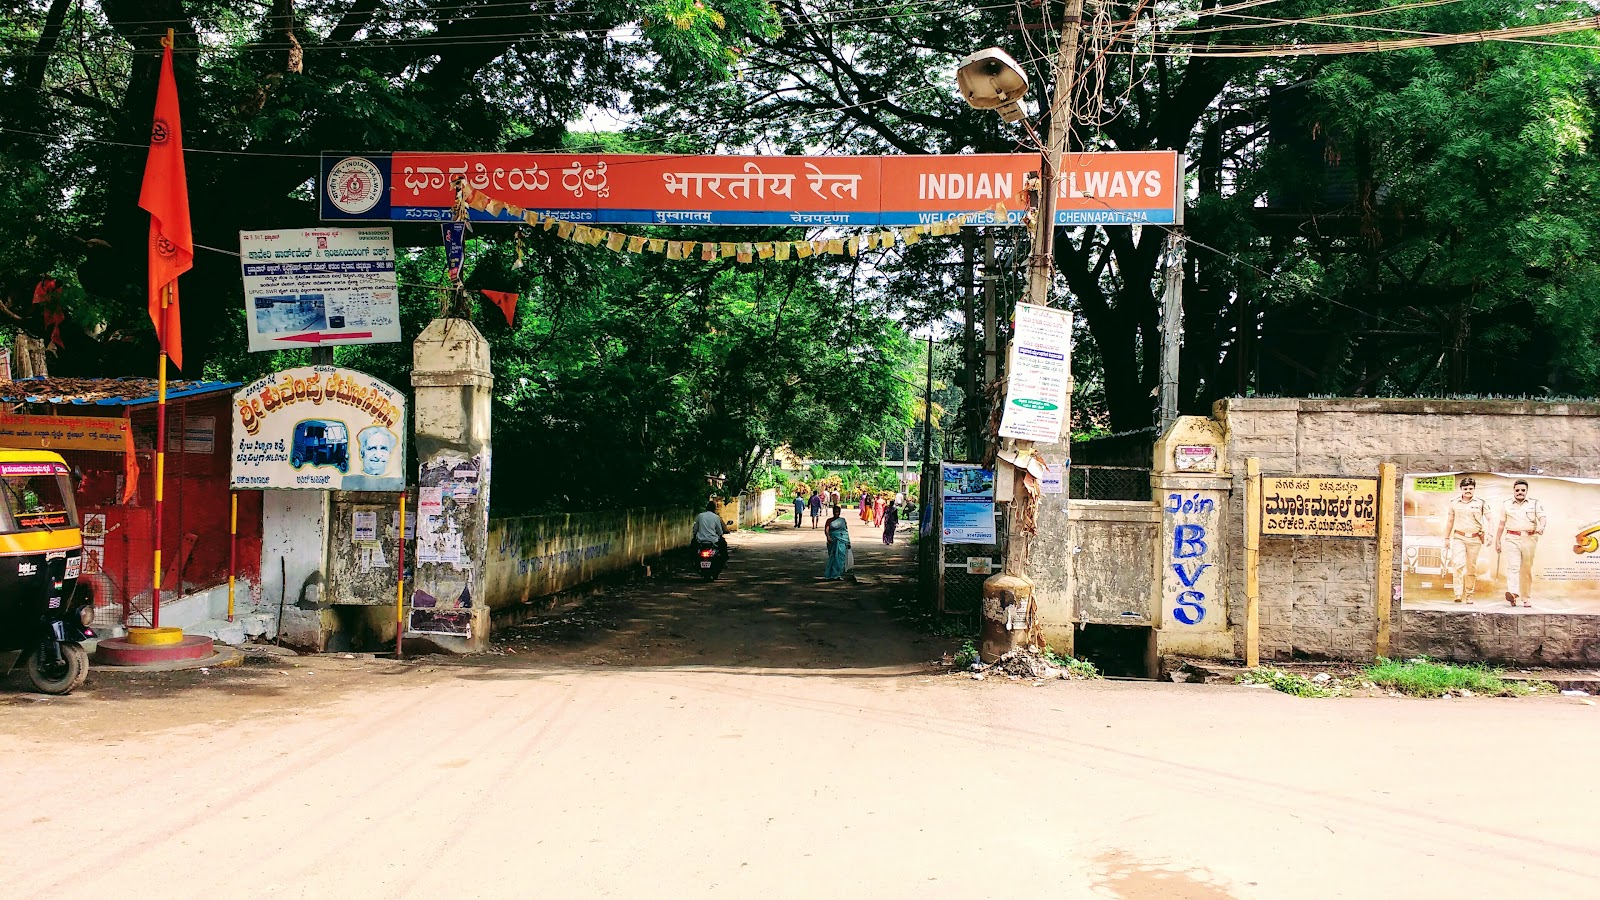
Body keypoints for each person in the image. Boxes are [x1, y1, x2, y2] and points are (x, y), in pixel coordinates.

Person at [1496, 478, 1546, 607]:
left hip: (1529, 538)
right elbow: (1501, 525)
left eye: (1523, 490)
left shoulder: (1535, 503)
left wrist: (1541, 526)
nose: (1520, 492)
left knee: (1526, 569)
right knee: (1513, 567)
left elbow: (1542, 518)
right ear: (1513, 491)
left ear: (1527, 491)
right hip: (1512, 538)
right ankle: (1513, 593)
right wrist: (1497, 541)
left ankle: (1526, 597)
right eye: (1517, 490)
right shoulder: (1506, 504)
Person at [1442, 476, 1489, 603]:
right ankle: (1458, 594)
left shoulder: (1481, 503)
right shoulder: (1454, 503)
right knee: (1458, 564)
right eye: (1465, 488)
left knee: (1471, 567)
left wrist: (1489, 534)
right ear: (1461, 489)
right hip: (1459, 537)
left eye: (1470, 488)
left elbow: (1490, 519)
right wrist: (1446, 538)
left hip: (1475, 539)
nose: (1468, 490)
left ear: (1474, 489)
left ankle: (1469, 594)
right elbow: (1450, 521)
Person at [824, 505, 851, 579]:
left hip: (842, 540)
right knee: (833, 557)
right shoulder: (829, 520)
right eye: (835, 512)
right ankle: (831, 574)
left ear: (840, 512)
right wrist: (828, 537)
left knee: (840, 557)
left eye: (837, 512)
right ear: (832, 512)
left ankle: (837, 574)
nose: (836, 513)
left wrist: (848, 541)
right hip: (833, 541)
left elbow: (845, 531)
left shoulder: (842, 520)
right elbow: (826, 530)